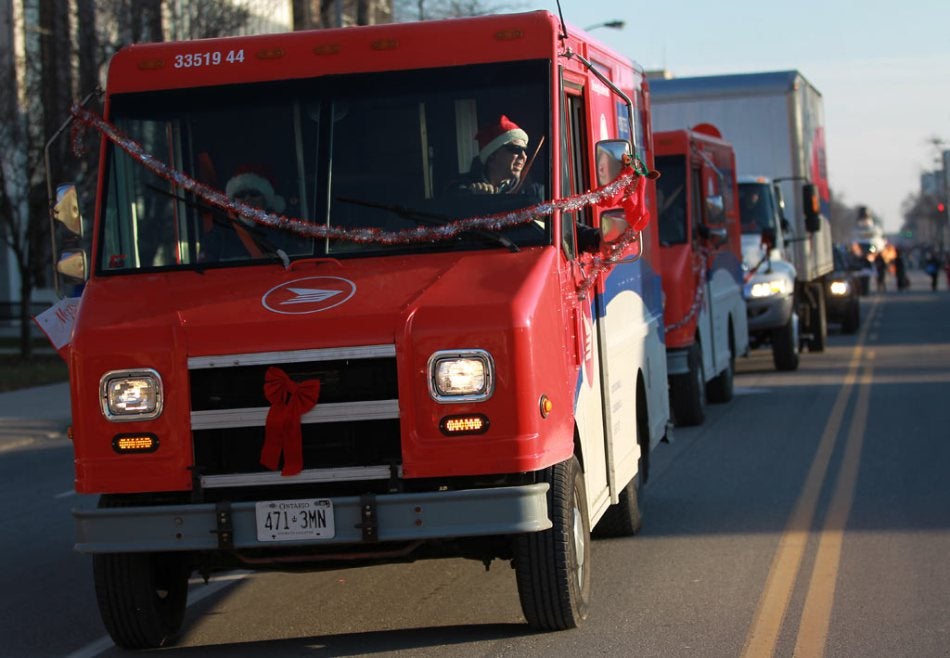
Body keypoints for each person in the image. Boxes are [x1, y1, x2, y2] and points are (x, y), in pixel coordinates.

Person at [201, 165, 286, 261]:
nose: (247, 198)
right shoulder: (219, 235)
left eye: (253, 194)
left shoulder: (281, 231)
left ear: (265, 199)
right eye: (241, 195)